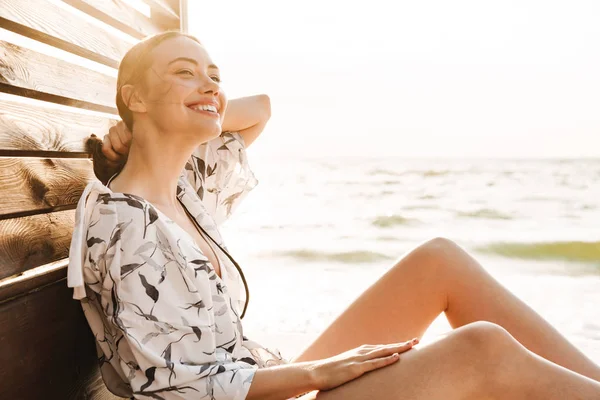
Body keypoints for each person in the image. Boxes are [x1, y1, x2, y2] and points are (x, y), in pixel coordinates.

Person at [68, 30, 600, 400]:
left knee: (439, 261)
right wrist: (319, 372)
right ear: (134, 95)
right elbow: (174, 387)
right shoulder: (125, 224)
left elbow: (261, 109)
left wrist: (184, 107)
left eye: (214, 74)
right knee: (482, 349)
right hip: (247, 397)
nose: (211, 84)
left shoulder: (186, 188)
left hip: (261, 379)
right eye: (184, 72)